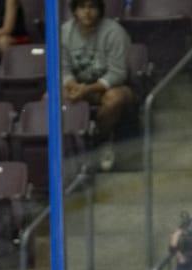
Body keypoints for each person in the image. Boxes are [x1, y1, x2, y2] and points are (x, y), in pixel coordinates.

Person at [59, 0, 135, 172]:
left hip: (110, 88)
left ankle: (101, 142)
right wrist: (74, 87)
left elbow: (117, 73)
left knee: (114, 98)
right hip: (78, 87)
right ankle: (69, 148)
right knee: (48, 98)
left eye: (92, 7)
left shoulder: (114, 32)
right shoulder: (64, 32)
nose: (87, 12)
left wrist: (86, 89)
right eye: (82, 7)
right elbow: (62, 69)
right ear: (74, 11)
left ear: (100, 10)